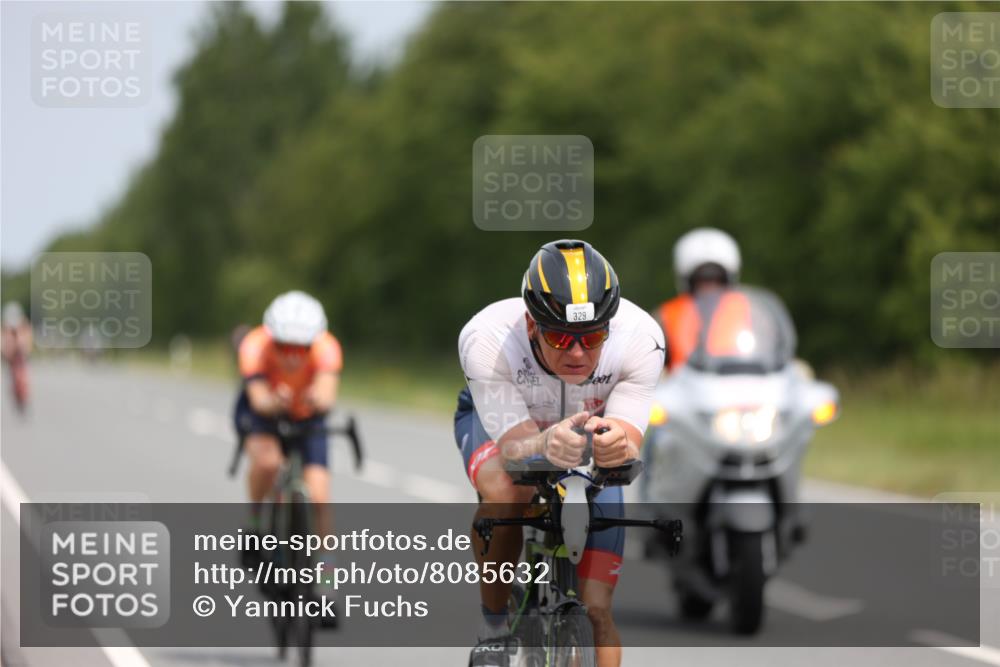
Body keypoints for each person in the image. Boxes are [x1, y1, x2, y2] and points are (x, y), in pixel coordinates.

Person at [456, 240, 665, 667]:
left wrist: (614, 444)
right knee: (508, 491)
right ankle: (493, 627)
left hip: (585, 432)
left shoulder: (641, 339)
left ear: (609, 326)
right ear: (532, 325)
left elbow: (627, 440)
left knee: (598, 611)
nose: (576, 352)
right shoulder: (488, 338)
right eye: (559, 336)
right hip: (501, 423)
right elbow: (515, 447)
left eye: (591, 338)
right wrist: (544, 444)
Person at [234, 291, 342, 614]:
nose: (293, 357)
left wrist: (314, 399)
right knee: (267, 464)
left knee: (319, 496)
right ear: (271, 338)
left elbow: (327, 394)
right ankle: (255, 525)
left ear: (315, 341)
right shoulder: (253, 346)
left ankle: (325, 581)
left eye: (301, 348)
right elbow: (258, 398)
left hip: (307, 417)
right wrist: (274, 399)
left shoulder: (328, 347)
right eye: (284, 347)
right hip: (265, 413)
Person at [654, 227, 742, 370]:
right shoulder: (666, 317)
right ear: (688, 281)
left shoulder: (751, 313)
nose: (710, 288)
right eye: (701, 280)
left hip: (743, 387)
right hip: (684, 390)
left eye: (717, 280)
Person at [1, 302, 33, 413]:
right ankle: (17, 396)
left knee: (22, 378)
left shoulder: (24, 327)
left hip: (21, 357)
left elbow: (27, 342)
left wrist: (23, 348)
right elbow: (4, 343)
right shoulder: (6, 329)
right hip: (11, 358)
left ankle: (23, 396)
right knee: (12, 380)